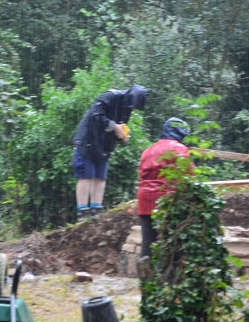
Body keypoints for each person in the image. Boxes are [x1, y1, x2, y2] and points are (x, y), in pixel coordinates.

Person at [73, 84, 149, 222]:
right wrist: (114, 126)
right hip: (88, 140)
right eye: (133, 107)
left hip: (104, 146)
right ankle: (82, 212)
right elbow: (96, 115)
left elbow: (119, 128)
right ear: (130, 99)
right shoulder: (110, 96)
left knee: (101, 178)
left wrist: (122, 136)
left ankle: (96, 210)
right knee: (85, 176)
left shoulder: (127, 108)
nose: (132, 110)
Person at [136, 118, 192, 279]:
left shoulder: (148, 150)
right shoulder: (180, 149)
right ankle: (168, 277)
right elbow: (188, 175)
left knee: (148, 241)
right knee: (170, 241)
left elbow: (141, 174)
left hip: (145, 200)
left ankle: (145, 278)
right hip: (166, 200)